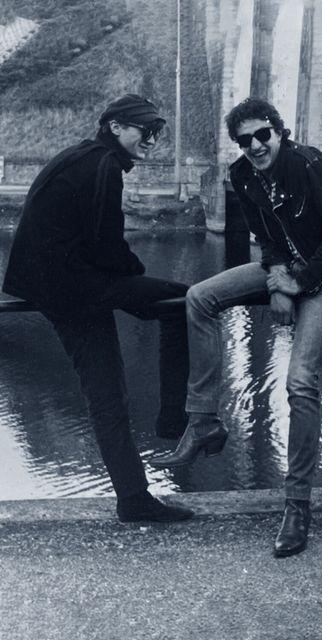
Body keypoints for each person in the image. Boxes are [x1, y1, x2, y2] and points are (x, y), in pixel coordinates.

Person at [150, 97, 322, 557]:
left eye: (263, 135)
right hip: (286, 271)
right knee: (199, 297)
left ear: (279, 132)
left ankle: (297, 504)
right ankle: (203, 421)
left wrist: (298, 282)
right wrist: (278, 278)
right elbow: (266, 236)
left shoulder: (309, 165)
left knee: (300, 382)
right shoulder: (243, 175)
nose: (256, 146)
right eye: (245, 141)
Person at [3, 94, 194, 524]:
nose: (152, 140)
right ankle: (172, 419)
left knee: (106, 394)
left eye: (156, 132)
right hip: (78, 287)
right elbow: (107, 245)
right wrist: (135, 273)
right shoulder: (104, 165)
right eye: (145, 130)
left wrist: (125, 278)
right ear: (115, 127)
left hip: (57, 289)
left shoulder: (80, 156)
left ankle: (133, 498)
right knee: (183, 300)